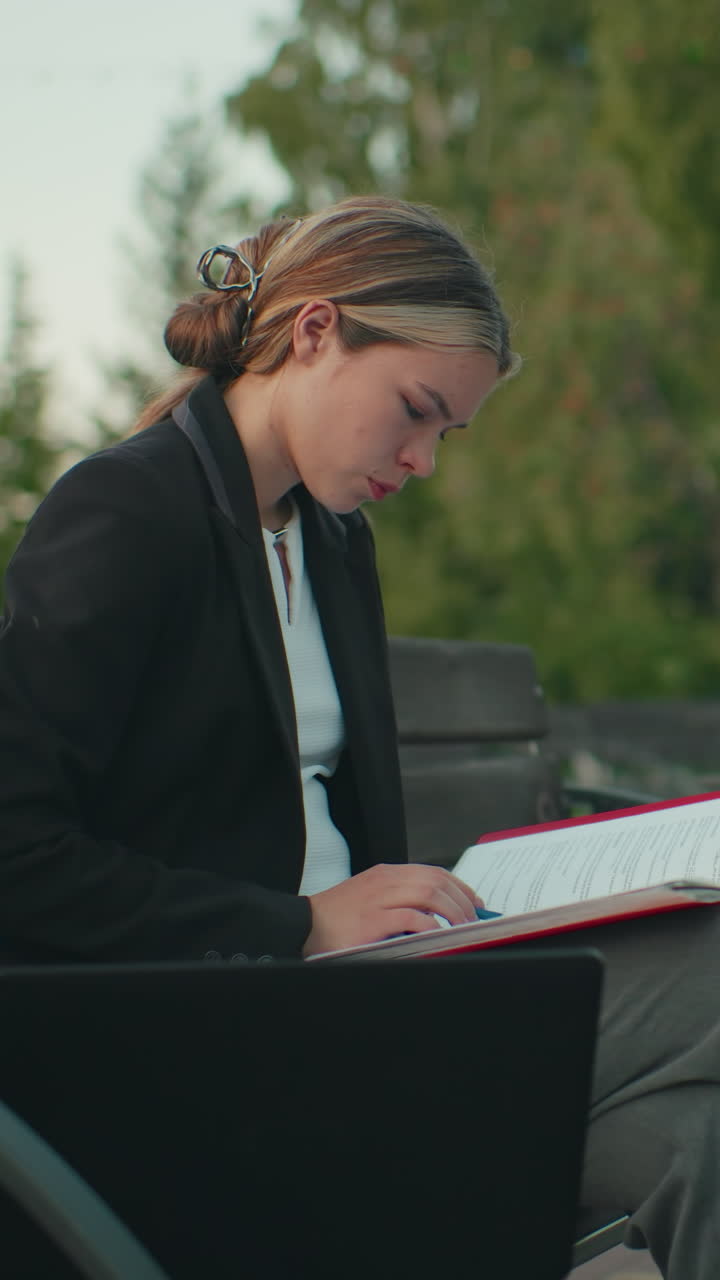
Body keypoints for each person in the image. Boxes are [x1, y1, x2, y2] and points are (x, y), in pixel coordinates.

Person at [0, 195, 717, 1276]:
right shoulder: (126, 511)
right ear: (316, 331)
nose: (424, 459)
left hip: (380, 996)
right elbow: (15, 857)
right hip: (240, 1036)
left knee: (696, 1137)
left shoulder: (332, 536)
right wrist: (299, 922)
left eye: (446, 431)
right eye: (416, 410)